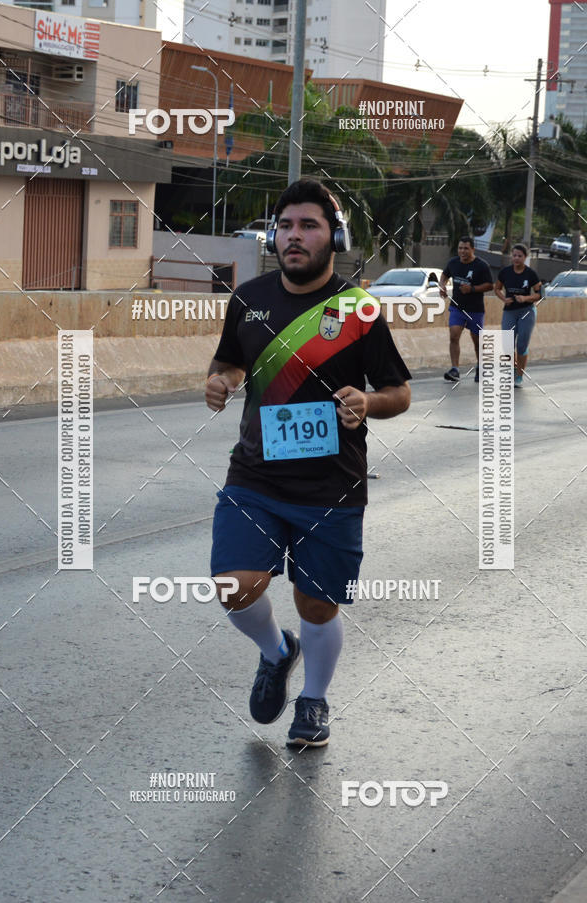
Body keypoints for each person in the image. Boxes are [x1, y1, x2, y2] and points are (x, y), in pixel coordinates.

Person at [205, 179, 411, 747]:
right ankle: (277, 652)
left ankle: (315, 701)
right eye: (287, 225)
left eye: (309, 226)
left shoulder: (359, 310)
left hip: (331, 488)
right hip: (255, 476)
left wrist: (369, 402)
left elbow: (399, 391)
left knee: (316, 604)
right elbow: (228, 363)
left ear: (334, 236)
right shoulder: (248, 298)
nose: (294, 236)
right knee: (232, 585)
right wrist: (221, 381)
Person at [439, 237, 493, 383]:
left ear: (472, 249)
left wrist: (473, 288)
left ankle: (480, 366)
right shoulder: (453, 263)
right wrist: (442, 285)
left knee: (476, 341)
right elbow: (444, 274)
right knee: (454, 336)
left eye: (466, 248)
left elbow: (490, 285)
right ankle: (455, 369)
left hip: (475, 310)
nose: (462, 251)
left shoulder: (481, 265)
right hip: (457, 307)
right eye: (460, 248)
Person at [494, 244, 541, 387]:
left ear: (525, 257)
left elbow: (539, 294)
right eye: (514, 255)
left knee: (521, 345)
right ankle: (513, 368)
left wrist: (525, 298)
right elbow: (497, 288)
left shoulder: (531, 274)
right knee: (507, 345)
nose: (516, 258)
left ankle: (519, 376)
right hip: (509, 311)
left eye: (519, 256)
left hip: (526, 311)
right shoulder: (505, 272)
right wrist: (504, 299)